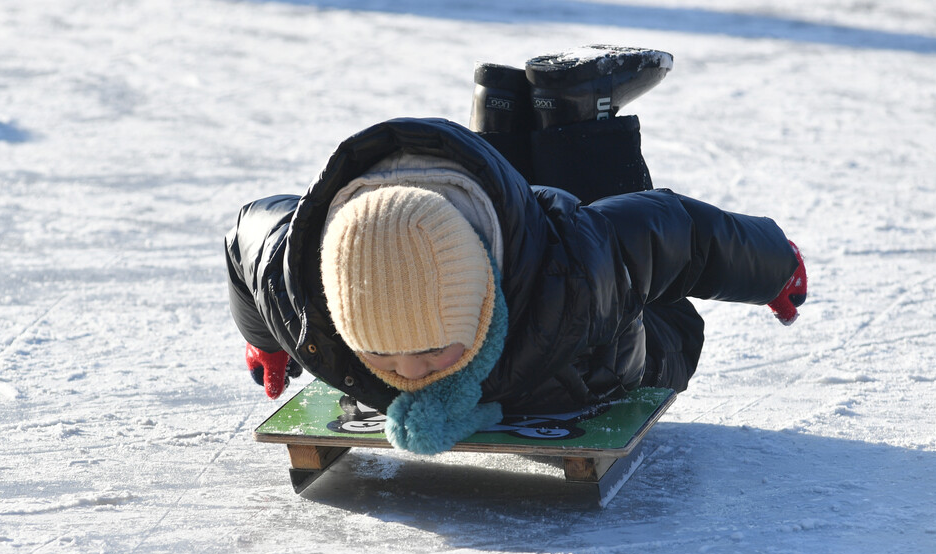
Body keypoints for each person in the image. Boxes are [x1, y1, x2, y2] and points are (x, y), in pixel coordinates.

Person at [224, 45, 807, 454]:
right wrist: (266, 338)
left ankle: (582, 113)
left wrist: (773, 266)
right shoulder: (303, 302)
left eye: (429, 353)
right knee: (543, 229)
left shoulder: (577, 272)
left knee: (652, 310)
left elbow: (679, 233)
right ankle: (519, 110)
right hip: (500, 230)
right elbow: (249, 235)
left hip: (594, 336)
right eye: (380, 357)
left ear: (478, 302)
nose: (410, 375)